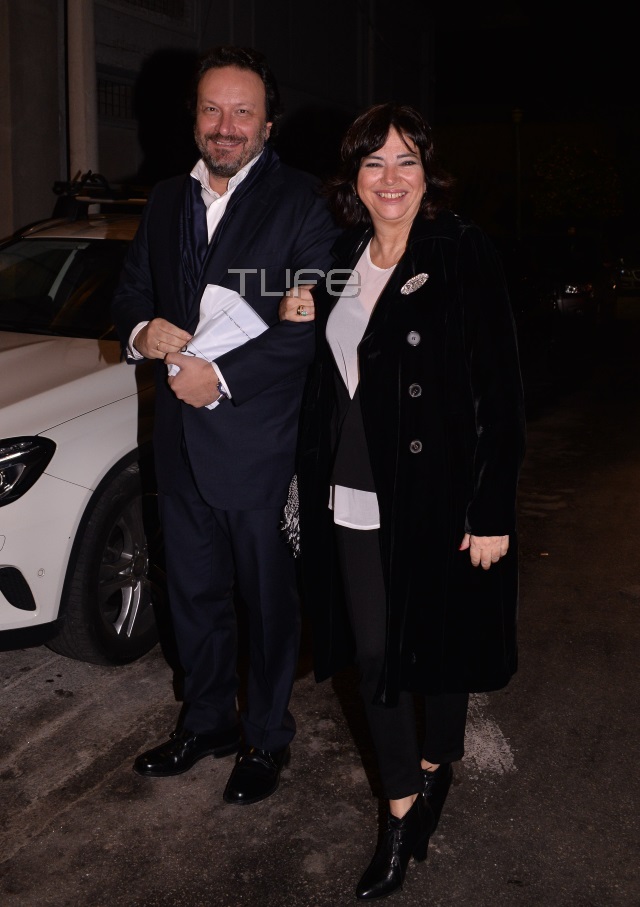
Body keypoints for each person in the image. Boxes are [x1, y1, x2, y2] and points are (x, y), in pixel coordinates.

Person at [280, 103, 526, 899]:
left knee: (438, 640)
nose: (390, 178)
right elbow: (329, 365)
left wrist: (491, 509)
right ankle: (400, 807)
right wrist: (296, 309)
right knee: (376, 655)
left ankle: (434, 757)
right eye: (374, 162)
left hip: (437, 492)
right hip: (352, 487)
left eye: (406, 161)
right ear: (353, 177)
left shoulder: (461, 250)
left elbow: (499, 389)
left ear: (428, 172)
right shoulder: (341, 256)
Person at [111, 45, 338, 805]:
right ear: (195, 119)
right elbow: (132, 291)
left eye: (243, 111)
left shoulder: (304, 202)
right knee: (193, 594)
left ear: (269, 124)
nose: (226, 125)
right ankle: (206, 721)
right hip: (179, 443)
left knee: (268, 602)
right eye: (213, 109)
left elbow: (313, 323)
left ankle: (267, 735)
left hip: (260, 444)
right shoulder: (165, 200)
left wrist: (226, 375)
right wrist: (143, 331)